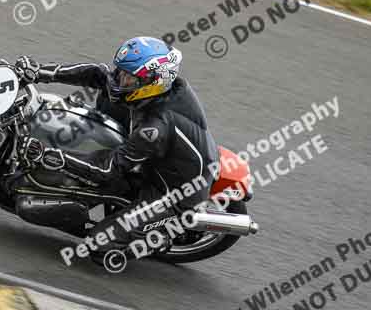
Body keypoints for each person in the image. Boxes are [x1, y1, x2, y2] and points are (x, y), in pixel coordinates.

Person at [13, 36, 219, 262]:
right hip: (157, 156)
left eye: (128, 77)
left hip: (174, 192)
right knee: (109, 94)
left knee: (100, 247)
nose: (119, 79)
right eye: (120, 71)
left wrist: (53, 157)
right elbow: (98, 74)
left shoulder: (154, 129)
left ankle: (160, 234)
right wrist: (41, 71)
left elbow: (106, 168)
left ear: (153, 82)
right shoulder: (156, 91)